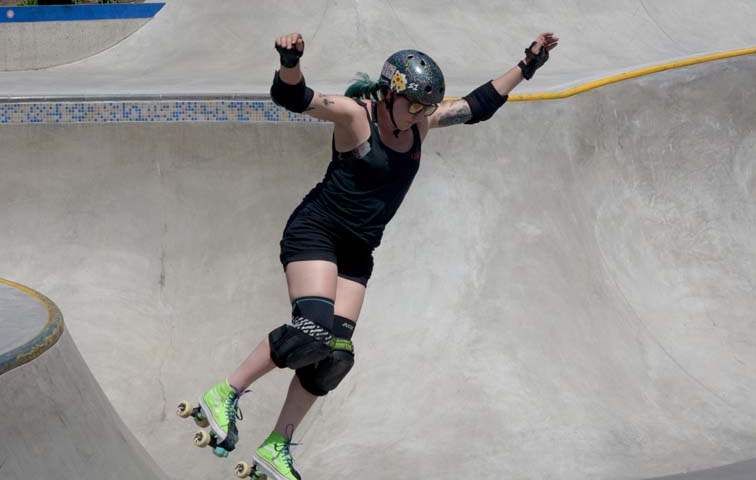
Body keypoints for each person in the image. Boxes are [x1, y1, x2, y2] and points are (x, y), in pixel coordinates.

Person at [197, 30, 559, 480]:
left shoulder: (421, 123)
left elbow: (477, 106)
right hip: (316, 232)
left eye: (426, 107)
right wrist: (290, 62)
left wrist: (527, 64)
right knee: (311, 331)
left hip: (357, 252)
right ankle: (225, 392)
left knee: (334, 356)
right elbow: (293, 97)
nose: (421, 114)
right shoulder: (354, 116)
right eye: (414, 105)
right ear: (389, 93)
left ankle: (277, 445)